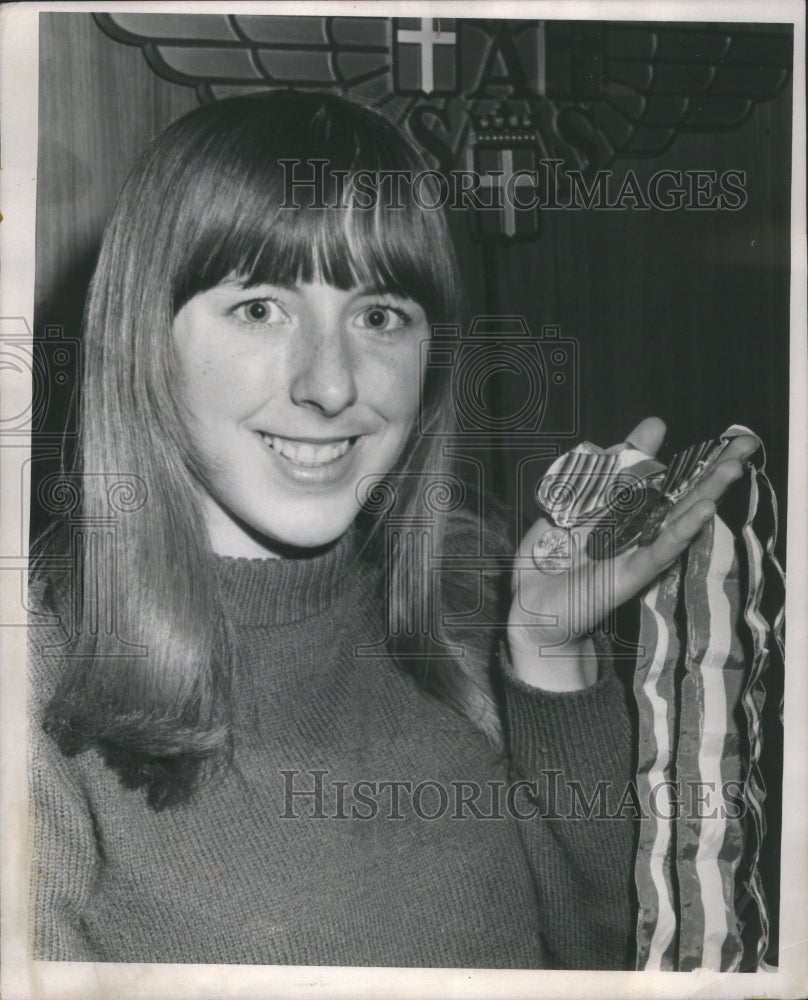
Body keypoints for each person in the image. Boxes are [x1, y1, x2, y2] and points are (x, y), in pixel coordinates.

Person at [27, 90, 755, 969]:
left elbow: (614, 956)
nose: (333, 387)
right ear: (145, 339)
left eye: (379, 316)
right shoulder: (35, 678)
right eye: (260, 306)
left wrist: (549, 656)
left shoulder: (471, 601)